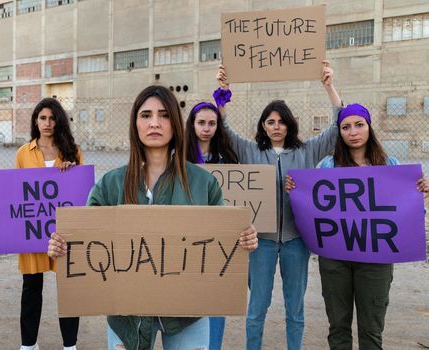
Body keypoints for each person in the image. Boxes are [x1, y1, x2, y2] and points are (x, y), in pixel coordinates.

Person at [47, 85, 259, 350]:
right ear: (135, 123)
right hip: (127, 318)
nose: (155, 123)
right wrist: (62, 246)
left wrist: (244, 238)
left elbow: (225, 240)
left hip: (187, 315)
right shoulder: (109, 185)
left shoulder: (204, 183)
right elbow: (85, 244)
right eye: (146, 115)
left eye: (164, 115)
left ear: (176, 124)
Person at [215, 61, 343, 350]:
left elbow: (337, 127)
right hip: (262, 243)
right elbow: (223, 127)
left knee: (295, 311)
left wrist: (328, 86)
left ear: (290, 124)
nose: (276, 127)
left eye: (281, 121)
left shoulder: (307, 150)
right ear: (263, 125)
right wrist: (223, 92)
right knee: (257, 310)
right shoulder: (249, 150)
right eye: (270, 121)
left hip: (297, 242)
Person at [285, 103, 429, 349]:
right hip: (335, 259)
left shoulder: (390, 165)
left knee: (371, 329)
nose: (353, 132)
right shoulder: (328, 166)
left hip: (377, 258)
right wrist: (295, 190)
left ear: (369, 127)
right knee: (338, 327)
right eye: (346, 127)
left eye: (359, 125)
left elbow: (403, 212)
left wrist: (419, 195)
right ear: (339, 132)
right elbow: (312, 209)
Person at [0, 97, 82, 350]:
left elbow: (81, 192)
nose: (47, 123)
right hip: (33, 232)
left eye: (52, 118)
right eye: (42, 118)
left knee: (69, 289)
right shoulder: (23, 153)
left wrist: (72, 173)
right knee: (31, 289)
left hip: (63, 233)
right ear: (35, 121)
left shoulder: (73, 151)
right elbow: (16, 193)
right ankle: (29, 345)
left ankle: (70, 345)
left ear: (59, 121)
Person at [184, 101, 238, 349]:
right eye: (201, 122)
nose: (206, 128)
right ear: (192, 124)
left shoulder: (227, 157)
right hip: (186, 237)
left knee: (217, 295)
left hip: (218, 240)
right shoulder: (179, 156)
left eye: (212, 123)